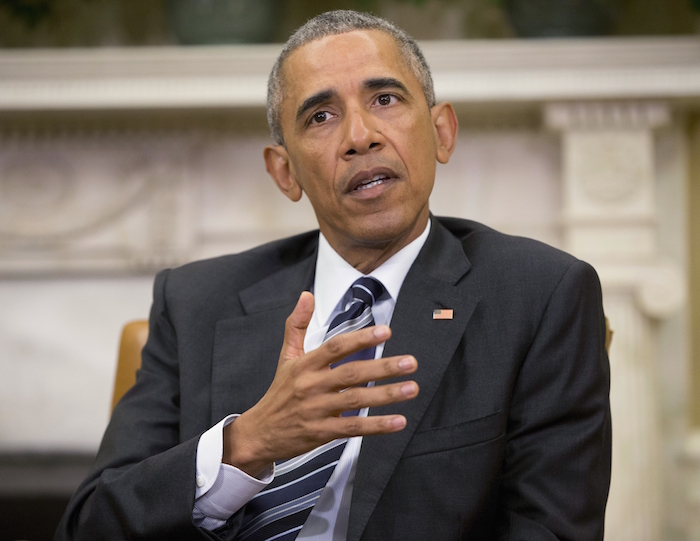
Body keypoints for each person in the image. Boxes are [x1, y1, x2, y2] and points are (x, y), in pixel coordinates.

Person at [56, 10, 611, 541]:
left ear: (442, 132)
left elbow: (553, 528)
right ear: (285, 171)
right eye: (320, 116)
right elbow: (89, 526)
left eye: (386, 99)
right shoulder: (196, 302)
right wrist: (246, 442)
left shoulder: (540, 295)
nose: (360, 136)